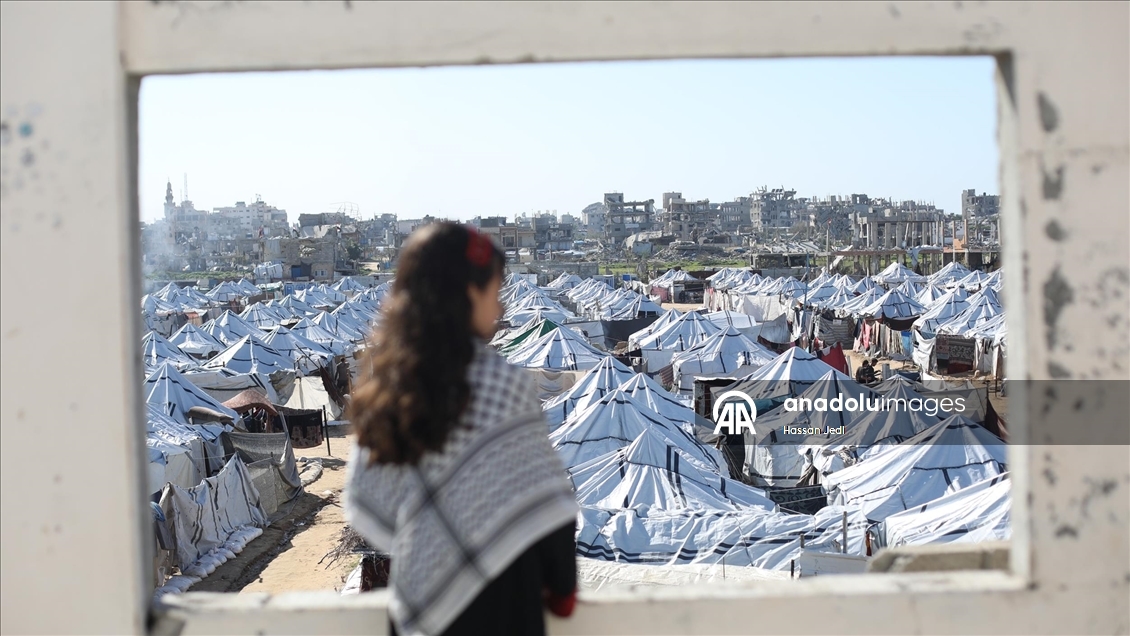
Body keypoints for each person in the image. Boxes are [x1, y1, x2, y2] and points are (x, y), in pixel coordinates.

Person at [344, 223, 579, 636]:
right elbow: (549, 505)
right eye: (496, 290)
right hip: (508, 608)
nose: (501, 307)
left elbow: (371, 496)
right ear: (470, 292)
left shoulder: (387, 386)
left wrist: (434, 540)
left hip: (418, 607)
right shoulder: (503, 383)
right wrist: (562, 589)